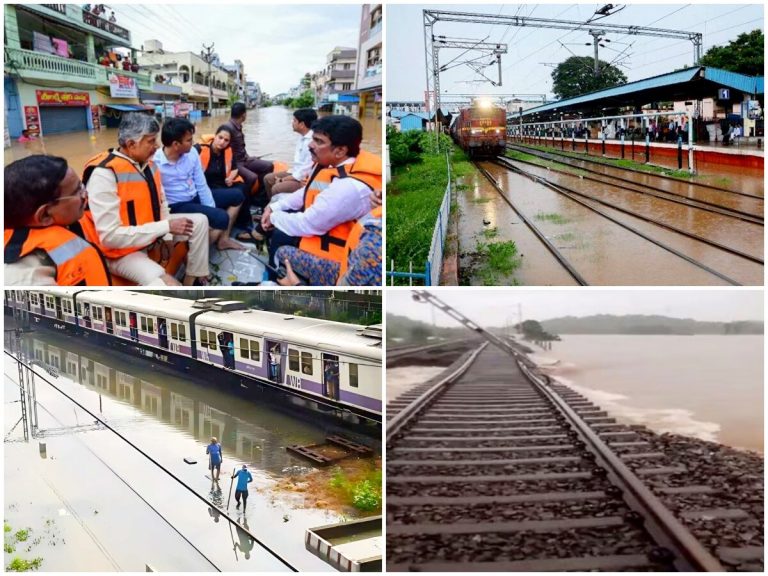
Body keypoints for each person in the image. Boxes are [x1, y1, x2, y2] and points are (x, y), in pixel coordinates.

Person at [80, 112, 210, 285]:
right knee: (166, 284)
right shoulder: (104, 174)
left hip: (148, 231)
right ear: (131, 144)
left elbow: (162, 205)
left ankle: (192, 279)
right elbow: (110, 237)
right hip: (121, 252)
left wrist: (167, 237)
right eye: (151, 141)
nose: (157, 146)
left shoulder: (149, 165)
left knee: (200, 221)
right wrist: (166, 227)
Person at [260, 115, 382, 281]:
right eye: (313, 139)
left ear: (340, 150)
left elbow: (307, 224)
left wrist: (272, 217)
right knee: (279, 215)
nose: (310, 145)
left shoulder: (347, 188)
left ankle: (273, 281)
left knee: (281, 248)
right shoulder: (335, 165)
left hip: (338, 260)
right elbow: (308, 191)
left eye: (318, 141)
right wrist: (275, 208)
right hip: (323, 225)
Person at [5, 155, 111, 286]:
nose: (85, 194)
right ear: (45, 215)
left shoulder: (65, 223)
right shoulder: (25, 276)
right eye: (77, 191)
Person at [154, 118, 245, 251]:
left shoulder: (191, 154)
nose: (193, 143)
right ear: (175, 144)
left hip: (194, 195)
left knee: (237, 196)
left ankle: (222, 240)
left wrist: (211, 210)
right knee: (221, 217)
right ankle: (200, 248)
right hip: (177, 205)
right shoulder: (155, 161)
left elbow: (201, 184)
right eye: (189, 140)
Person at [276, 189, 381, 286]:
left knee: (281, 250)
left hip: (345, 275)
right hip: (349, 266)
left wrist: (296, 285)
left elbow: (341, 300)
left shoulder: (373, 249)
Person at [195, 125, 259, 244]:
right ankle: (229, 234)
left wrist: (231, 177)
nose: (222, 142)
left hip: (223, 184)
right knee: (237, 195)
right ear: (215, 136)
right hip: (207, 187)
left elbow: (234, 168)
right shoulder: (199, 149)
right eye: (220, 137)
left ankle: (245, 224)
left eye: (226, 140)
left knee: (243, 188)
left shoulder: (228, 151)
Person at [222, 102, 274, 204]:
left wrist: (249, 157)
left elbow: (240, 147)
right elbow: (223, 149)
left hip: (244, 159)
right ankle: (246, 200)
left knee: (268, 166)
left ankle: (260, 197)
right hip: (235, 163)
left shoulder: (238, 126)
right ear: (244, 115)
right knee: (252, 177)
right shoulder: (227, 128)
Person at [263, 108, 317, 199]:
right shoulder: (302, 137)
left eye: (295, 120)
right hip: (296, 172)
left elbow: (305, 169)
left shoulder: (312, 142)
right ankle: (270, 204)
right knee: (268, 178)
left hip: (304, 178)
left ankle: (275, 209)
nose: (292, 122)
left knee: (277, 187)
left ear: (302, 124)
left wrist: (283, 180)